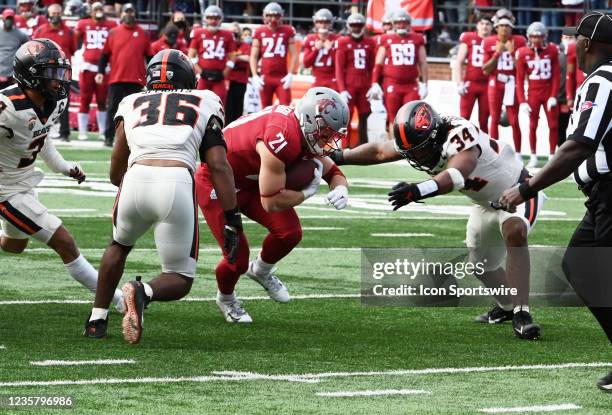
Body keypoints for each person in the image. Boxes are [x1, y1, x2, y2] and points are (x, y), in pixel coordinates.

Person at [329, 101, 545, 340]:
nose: (416, 156)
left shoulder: (460, 132)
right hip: (485, 203)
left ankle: (522, 314)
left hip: (520, 189)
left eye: (419, 150)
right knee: (481, 265)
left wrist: (417, 191)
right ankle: (506, 306)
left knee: (515, 231)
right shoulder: (419, 137)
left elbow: (457, 174)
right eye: (411, 152)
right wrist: (337, 157)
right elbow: (380, 151)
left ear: (433, 136)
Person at [84, 49, 240, 343]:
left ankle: (97, 318)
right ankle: (144, 291)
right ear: (188, 79)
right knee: (179, 278)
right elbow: (218, 164)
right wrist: (232, 217)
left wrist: (126, 186)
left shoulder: (131, 101)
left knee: (118, 244)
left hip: (135, 177)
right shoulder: (205, 100)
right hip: (176, 180)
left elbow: (117, 160)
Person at [499, 11, 612, 390]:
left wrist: (526, 188)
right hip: (600, 197)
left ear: (586, 43)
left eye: (573, 40)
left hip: (611, 193)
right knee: (580, 266)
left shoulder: (603, 82)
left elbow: (577, 147)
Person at [195, 87, 350, 323]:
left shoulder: (304, 131)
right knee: (237, 256)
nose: (328, 141)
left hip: (250, 181)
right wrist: (306, 193)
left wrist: (340, 187)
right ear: (310, 122)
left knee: (289, 233)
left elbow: (334, 172)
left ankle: (261, 270)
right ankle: (226, 299)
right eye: (325, 134)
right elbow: (270, 201)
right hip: (218, 181)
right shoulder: (282, 136)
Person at [0, 39, 124, 316]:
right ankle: (118, 301)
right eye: (52, 74)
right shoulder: (6, 108)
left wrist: (64, 167)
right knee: (64, 242)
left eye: (61, 73)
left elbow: (41, 137)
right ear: (30, 75)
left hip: (24, 180)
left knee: (14, 245)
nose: (60, 81)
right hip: (5, 190)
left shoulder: (55, 102)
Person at [96, 3, 152, 147]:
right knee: (113, 109)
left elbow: (150, 57)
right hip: (117, 78)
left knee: (136, 111)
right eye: (126, 12)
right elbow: (104, 55)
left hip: (136, 79)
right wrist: (101, 72)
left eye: (131, 12)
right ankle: (108, 137)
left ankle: (134, 139)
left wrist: (151, 76)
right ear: (121, 14)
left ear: (135, 14)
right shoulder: (113, 32)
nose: (129, 14)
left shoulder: (143, 34)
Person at [369, 9, 428, 135]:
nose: (401, 25)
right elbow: (378, 63)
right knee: (393, 118)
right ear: (393, 24)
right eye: (398, 23)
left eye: (404, 22)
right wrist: (374, 83)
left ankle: (408, 149)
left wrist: (424, 84)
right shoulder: (386, 39)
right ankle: (394, 149)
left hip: (411, 84)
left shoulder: (417, 38)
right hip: (392, 83)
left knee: (411, 117)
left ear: (409, 23)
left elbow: (423, 63)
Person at [482, 9, 526, 160]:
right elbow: (486, 70)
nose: (504, 28)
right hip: (496, 82)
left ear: (511, 27)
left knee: (514, 119)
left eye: (507, 26)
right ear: (496, 27)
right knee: (494, 118)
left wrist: (513, 53)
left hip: (512, 82)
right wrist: (497, 53)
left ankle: (518, 153)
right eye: (501, 25)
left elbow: (522, 68)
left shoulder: (519, 41)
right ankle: (495, 152)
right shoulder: (489, 42)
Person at [516, 22, 561, 167]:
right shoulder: (523, 52)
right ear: (529, 37)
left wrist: (554, 95)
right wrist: (522, 101)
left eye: (539, 36)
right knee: (532, 125)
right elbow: (519, 79)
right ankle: (533, 156)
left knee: (553, 125)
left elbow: (556, 75)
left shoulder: (552, 50)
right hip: (533, 92)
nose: (536, 40)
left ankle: (552, 155)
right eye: (533, 37)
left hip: (548, 91)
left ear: (544, 37)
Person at [74, 1, 117, 141]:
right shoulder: (83, 23)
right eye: (96, 9)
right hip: (87, 66)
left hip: (104, 68)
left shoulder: (111, 25)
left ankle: (103, 132)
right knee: (84, 99)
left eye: (100, 9)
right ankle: (82, 131)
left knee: (102, 101)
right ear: (91, 11)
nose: (98, 11)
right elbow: (76, 40)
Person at [33, 3, 75, 142]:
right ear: (48, 14)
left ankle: (64, 133)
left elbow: (72, 50)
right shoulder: (40, 30)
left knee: (63, 102)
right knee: (41, 100)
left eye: (58, 13)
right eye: (53, 13)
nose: (56, 15)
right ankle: (40, 129)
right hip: (45, 73)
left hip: (62, 73)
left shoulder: (68, 31)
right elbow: (33, 49)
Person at [335, 13, 375, 147]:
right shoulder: (343, 42)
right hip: (349, 83)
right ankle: (345, 146)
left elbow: (373, 66)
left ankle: (363, 145)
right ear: (348, 26)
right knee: (346, 116)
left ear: (363, 26)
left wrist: (373, 84)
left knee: (364, 115)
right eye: (353, 25)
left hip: (364, 83)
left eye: (359, 25)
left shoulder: (370, 42)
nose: (356, 28)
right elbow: (339, 68)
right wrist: (342, 89)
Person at [249, 2, 298, 107]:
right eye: (269, 15)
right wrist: (254, 75)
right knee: (265, 108)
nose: (272, 19)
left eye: (276, 15)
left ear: (281, 16)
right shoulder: (259, 31)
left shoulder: (287, 30)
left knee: (285, 107)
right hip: (265, 77)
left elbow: (294, 54)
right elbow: (253, 56)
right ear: (264, 16)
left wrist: (291, 74)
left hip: (282, 77)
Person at [453, 14, 492, 133]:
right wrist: (459, 83)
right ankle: (461, 147)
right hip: (470, 83)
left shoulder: (494, 40)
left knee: (484, 120)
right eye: (482, 23)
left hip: (487, 85)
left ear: (492, 27)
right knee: (463, 118)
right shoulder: (469, 38)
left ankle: (485, 149)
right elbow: (459, 62)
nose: (484, 26)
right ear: (477, 25)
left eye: (487, 24)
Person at [188, 5, 235, 104]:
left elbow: (232, 57)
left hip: (220, 76)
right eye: (210, 18)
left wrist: (224, 73)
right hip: (202, 76)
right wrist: (200, 71)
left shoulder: (228, 35)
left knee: (220, 104)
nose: (213, 21)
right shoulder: (198, 33)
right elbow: (191, 55)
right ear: (205, 19)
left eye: (216, 18)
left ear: (220, 19)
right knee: (199, 103)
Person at [302, 8, 338, 90]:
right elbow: (306, 64)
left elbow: (341, 65)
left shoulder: (338, 39)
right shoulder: (310, 38)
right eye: (320, 22)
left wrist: (330, 50)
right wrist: (316, 49)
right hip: (317, 79)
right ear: (315, 23)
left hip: (333, 80)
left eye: (326, 22)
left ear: (331, 23)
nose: (323, 25)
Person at [225, 22, 251, 124]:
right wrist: (237, 57)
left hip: (240, 80)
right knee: (228, 108)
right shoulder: (226, 44)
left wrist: (234, 57)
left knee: (238, 107)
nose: (234, 33)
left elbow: (248, 58)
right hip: (227, 80)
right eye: (231, 31)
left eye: (235, 31)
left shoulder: (244, 45)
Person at [0, 8, 28, 90]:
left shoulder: (20, 34)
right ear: (3, 19)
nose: (9, 21)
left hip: (13, 74)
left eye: (11, 19)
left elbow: (29, 45)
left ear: (14, 19)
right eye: (7, 18)